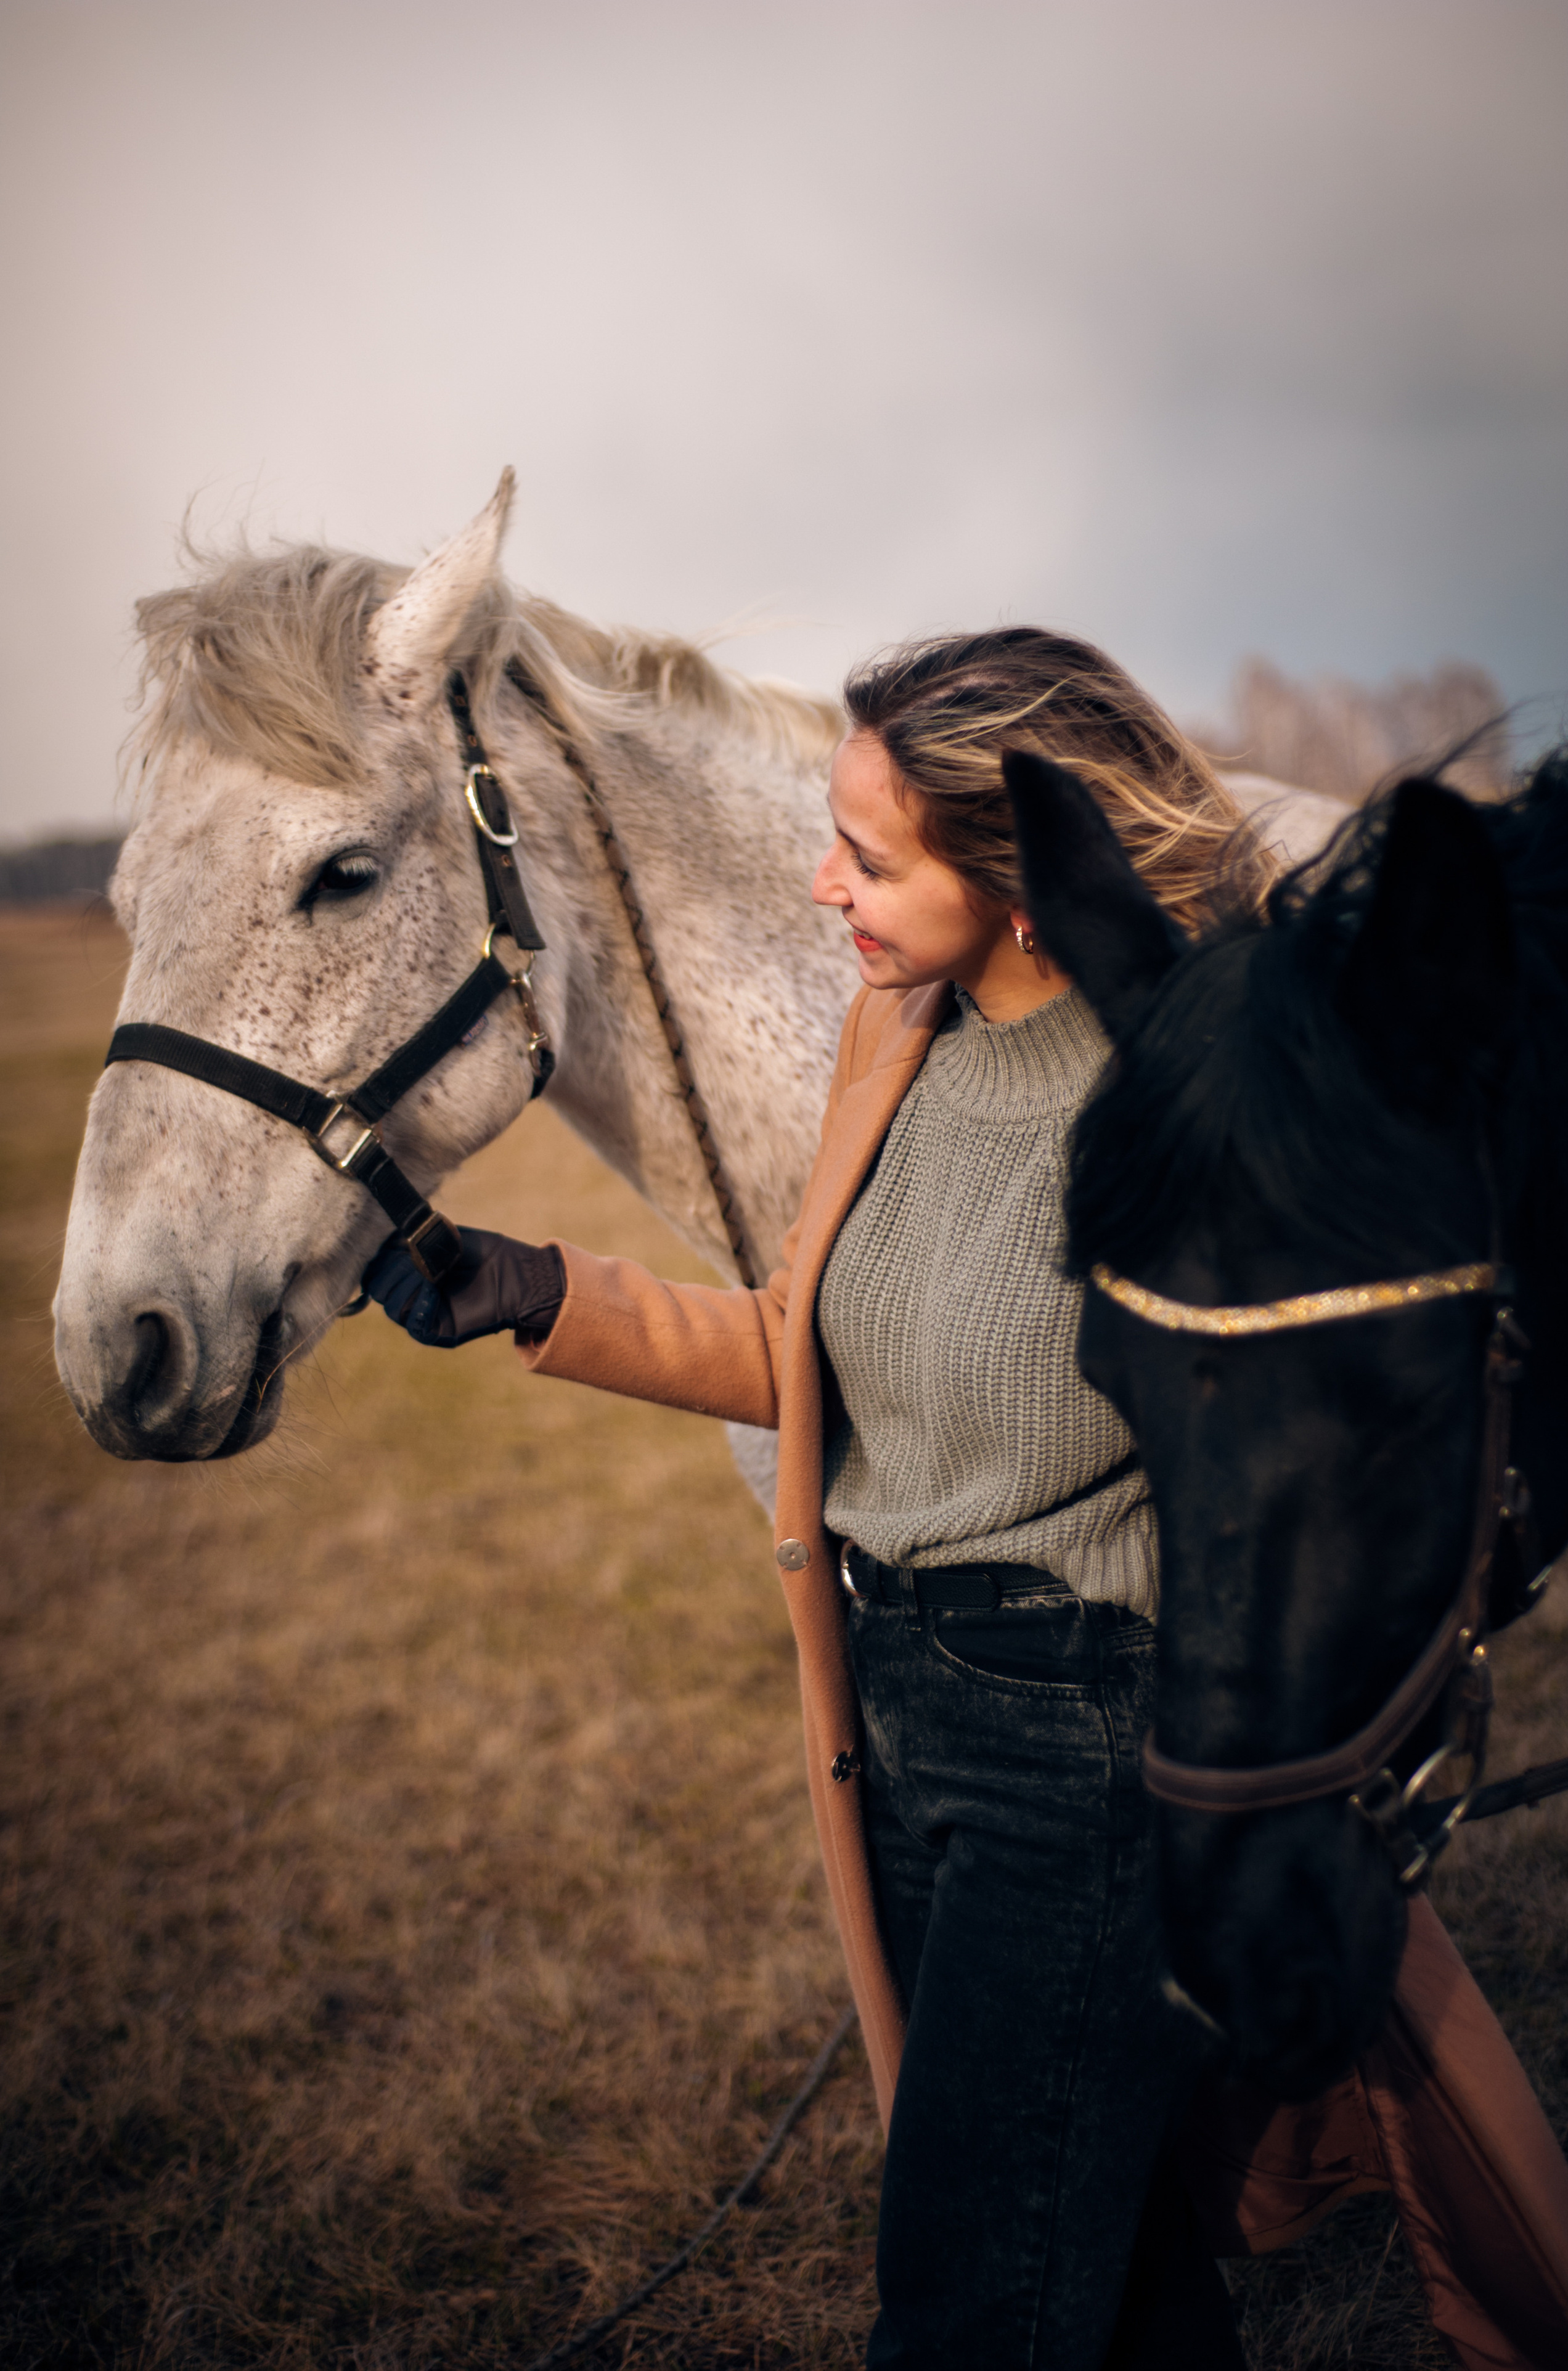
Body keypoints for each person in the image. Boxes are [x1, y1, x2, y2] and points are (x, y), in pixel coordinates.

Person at [366, 628, 1262, 2369]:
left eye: (870, 855)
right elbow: (814, 1348)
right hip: (893, 1705)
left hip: (1083, 1741)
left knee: (964, 2296)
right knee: (1117, 2251)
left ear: (1021, 883)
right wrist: (532, 1290)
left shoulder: (1183, 1104)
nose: (820, 878)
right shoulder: (897, 1035)